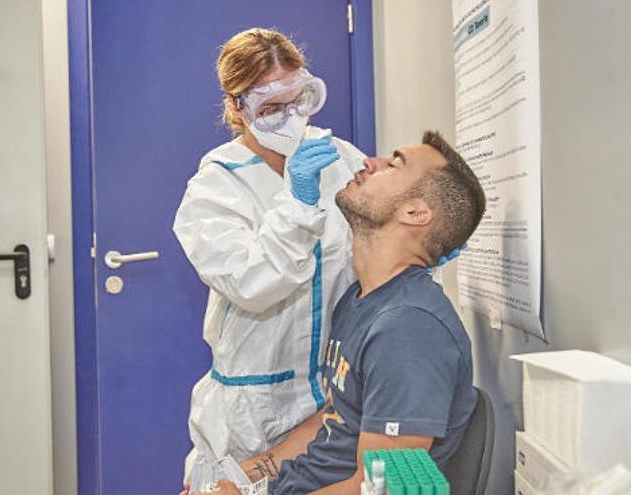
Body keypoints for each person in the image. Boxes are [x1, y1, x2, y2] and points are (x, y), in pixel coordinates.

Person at [187, 130, 487, 495]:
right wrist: (250, 472)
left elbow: (386, 489)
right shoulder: (360, 300)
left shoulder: (409, 331)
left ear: (415, 213)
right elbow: (335, 417)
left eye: (392, 164)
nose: (368, 162)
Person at [173, 28, 365, 473]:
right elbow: (251, 283)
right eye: (272, 108)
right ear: (238, 106)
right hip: (251, 408)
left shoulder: (339, 157)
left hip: (332, 396)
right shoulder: (216, 186)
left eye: (300, 99)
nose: (293, 118)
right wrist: (297, 203)